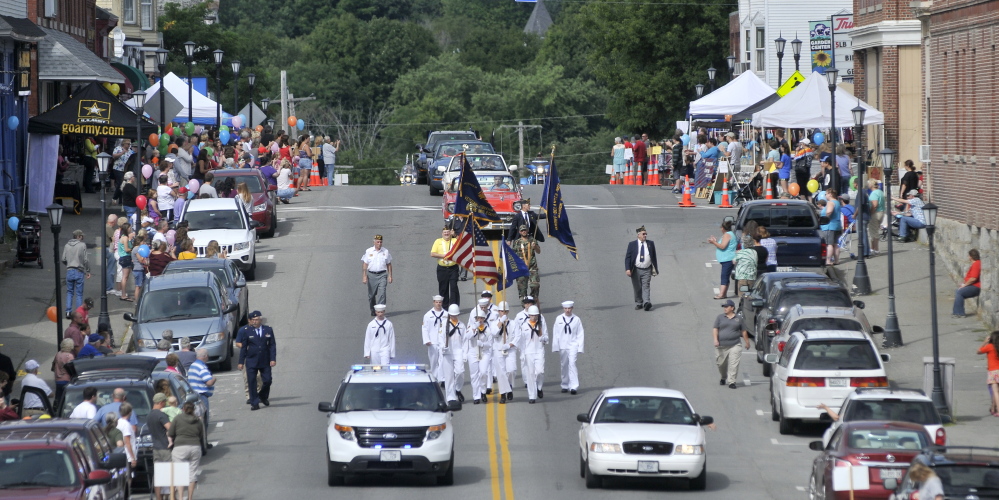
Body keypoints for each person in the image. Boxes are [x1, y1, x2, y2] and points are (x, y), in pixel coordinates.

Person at [238, 310, 276, 411]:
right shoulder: (247, 331)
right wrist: (241, 362)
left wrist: (273, 359)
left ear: (261, 320)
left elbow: (272, 345)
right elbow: (244, 347)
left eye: (257, 319)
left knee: (267, 380)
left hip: (265, 360)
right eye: (253, 320)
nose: (255, 321)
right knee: (252, 382)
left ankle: (263, 396)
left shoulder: (268, 330)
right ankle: (254, 403)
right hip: (251, 360)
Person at [169, 402, 204, 500]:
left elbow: (171, 432)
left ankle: (180, 497)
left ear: (183, 409)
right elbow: (201, 435)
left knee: (180, 473)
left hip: (180, 447)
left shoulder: (177, 418)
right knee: (192, 474)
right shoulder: (198, 420)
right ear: (193, 410)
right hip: (195, 446)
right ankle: (190, 498)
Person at [714, 300, 751, 389]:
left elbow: (743, 331)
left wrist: (747, 342)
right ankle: (723, 377)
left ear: (732, 308)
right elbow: (715, 329)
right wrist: (715, 340)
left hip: (735, 344)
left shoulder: (739, 319)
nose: (725, 308)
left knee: (733, 364)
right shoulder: (720, 317)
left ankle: (732, 382)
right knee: (720, 364)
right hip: (721, 345)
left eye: (726, 307)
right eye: (724, 307)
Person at [551, 301, 584, 395]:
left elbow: (580, 333)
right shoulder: (559, 319)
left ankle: (574, 386)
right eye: (566, 308)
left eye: (569, 308)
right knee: (564, 365)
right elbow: (556, 333)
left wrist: (580, 347)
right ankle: (565, 384)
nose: (567, 310)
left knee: (572, 364)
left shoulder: (576, 319)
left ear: (572, 308)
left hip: (573, 344)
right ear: (563, 309)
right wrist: (555, 346)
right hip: (562, 345)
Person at [625, 226, 659, 311]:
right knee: (637, 287)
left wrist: (654, 268)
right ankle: (639, 303)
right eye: (643, 234)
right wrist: (628, 269)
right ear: (638, 235)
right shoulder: (632, 244)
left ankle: (646, 303)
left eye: (646, 234)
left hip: (647, 269)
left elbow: (653, 256)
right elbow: (628, 257)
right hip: (635, 269)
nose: (645, 235)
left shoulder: (650, 244)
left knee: (646, 286)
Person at [519, 305, 548, 404]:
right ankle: (532, 395)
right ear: (529, 315)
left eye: (536, 315)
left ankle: (539, 387)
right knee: (530, 374)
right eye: (532, 315)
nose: (534, 317)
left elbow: (546, 338)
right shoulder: (524, 325)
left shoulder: (541, 324)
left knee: (540, 371)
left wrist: (543, 338)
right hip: (529, 352)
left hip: (539, 350)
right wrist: (522, 354)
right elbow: (522, 341)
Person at [438, 304, 466, 403]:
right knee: (449, 376)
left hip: (458, 351)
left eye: (456, 315)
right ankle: (451, 398)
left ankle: (457, 389)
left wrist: (465, 354)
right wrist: (443, 347)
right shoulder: (444, 324)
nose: (454, 317)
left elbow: (465, 341)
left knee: (460, 372)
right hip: (448, 352)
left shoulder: (462, 325)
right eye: (452, 315)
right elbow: (440, 338)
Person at [147, 393, 173, 500]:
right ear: (161, 402)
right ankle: (172, 497)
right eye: (164, 402)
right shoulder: (161, 415)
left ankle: (159, 498)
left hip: (156, 448)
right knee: (171, 474)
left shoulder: (149, 415)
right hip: (165, 447)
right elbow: (170, 428)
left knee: (158, 475)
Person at [466, 309, 494, 404]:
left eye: (482, 318)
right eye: (478, 318)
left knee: (483, 373)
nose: (480, 320)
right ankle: (476, 396)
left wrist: (482, 344)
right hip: (473, 352)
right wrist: (474, 329)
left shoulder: (488, 329)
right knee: (474, 375)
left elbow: (490, 343)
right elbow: (468, 337)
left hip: (484, 352)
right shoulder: (471, 327)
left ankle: (483, 391)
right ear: (475, 319)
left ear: (484, 319)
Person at [61, 229, 91, 317]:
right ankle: (78, 312)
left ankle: (68, 312)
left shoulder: (67, 245)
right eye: (81, 236)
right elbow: (85, 260)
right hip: (79, 270)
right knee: (79, 293)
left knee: (69, 292)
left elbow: (63, 259)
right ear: (79, 236)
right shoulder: (82, 245)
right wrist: (88, 270)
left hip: (69, 270)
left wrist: (69, 264)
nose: (83, 237)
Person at [361, 234, 393, 316]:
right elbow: (365, 264)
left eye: (381, 242)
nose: (379, 243)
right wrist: (364, 276)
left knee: (382, 293)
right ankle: (373, 309)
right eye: (378, 242)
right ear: (374, 242)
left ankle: (380, 311)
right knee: (371, 295)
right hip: (371, 275)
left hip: (382, 274)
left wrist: (390, 276)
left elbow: (389, 264)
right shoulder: (369, 251)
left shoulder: (385, 251)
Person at [430, 227, 460, 306]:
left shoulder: (454, 241)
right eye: (445, 232)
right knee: (443, 288)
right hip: (442, 269)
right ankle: (445, 307)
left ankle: (454, 306)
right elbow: (432, 253)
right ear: (442, 233)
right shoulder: (438, 241)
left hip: (453, 268)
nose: (446, 234)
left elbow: (463, 243)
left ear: (450, 233)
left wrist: (455, 235)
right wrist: (444, 255)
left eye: (448, 232)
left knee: (453, 287)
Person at [512, 225, 541, 301]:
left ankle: (533, 299)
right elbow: (512, 255)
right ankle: (525, 305)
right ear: (519, 232)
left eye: (525, 230)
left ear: (527, 231)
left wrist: (535, 247)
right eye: (522, 231)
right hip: (521, 268)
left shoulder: (532, 240)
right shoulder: (517, 242)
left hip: (532, 267)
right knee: (522, 289)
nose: (524, 231)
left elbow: (539, 251)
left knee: (535, 285)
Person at [708, 220, 737, 299]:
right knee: (725, 276)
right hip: (726, 259)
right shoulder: (728, 234)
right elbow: (722, 245)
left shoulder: (727, 235)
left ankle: (721, 294)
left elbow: (722, 246)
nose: (720, 229)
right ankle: (723, 294)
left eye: (721, 227)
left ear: (723, 228)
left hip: (727, 259)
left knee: (724, 276)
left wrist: (714, 242)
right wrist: (716, 241)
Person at [187, 348, 216, 428]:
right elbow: (209, 382)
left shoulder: (193, 365)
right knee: (204, 419)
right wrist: (214, 378)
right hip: (201, 395)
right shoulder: (202, 367)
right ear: (205, 356)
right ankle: (204, 438)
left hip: (193, 394)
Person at [952, 249, 982, 318]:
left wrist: (964, 285)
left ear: (971, 257)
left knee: (960, 292)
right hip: (972, 285)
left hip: (975, 287)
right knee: (957, 291)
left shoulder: (976, 264)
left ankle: (959, 313)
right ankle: (957, 311)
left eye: (969, 256)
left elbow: (973, 278)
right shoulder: (976, 264)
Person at [422, 296, 446, 380]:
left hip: (443, 341)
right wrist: (426, 340)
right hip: (432, 341)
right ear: (433, 302)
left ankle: (442, 378)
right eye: (436, 302)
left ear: (442, 303)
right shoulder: (428, 315)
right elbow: (425, 328)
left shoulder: (446, 314)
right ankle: (434, 377)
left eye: (440, 302)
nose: (438, 304)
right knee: (433, 360)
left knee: (442, 360)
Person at [977, 331, 999, 417]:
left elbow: (978, 351)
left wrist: (985, 342)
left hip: (993, 372)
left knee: (996, 392)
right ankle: (993, 408)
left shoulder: (990, 347)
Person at [820, 189, 843, 264]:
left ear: (830, 194)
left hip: (829, 226)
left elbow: (829, 211)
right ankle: (836, 260)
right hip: (837, 225)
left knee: (829, 244)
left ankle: (828, 260)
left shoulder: (830, 202)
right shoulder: (837, 202)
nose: (825, 195)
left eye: (826, 194)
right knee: (836, 244)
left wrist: (826, 216)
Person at [116, 403, 137, 469]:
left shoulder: (118, 422)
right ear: (130, 412)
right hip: (128, 456)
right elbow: (127, 442)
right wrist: (132, 458)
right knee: (129, 477)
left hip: (121, 454)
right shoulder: (126, 425)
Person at [866, 179, 885, 256]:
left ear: (871, 185)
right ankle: (872, 248)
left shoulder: (874, 193)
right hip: (881, 212)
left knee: (873, 232)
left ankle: (876, 249)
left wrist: (870, 213)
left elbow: (875, 205)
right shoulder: (880, 192)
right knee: (874, 230)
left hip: (875, 213)